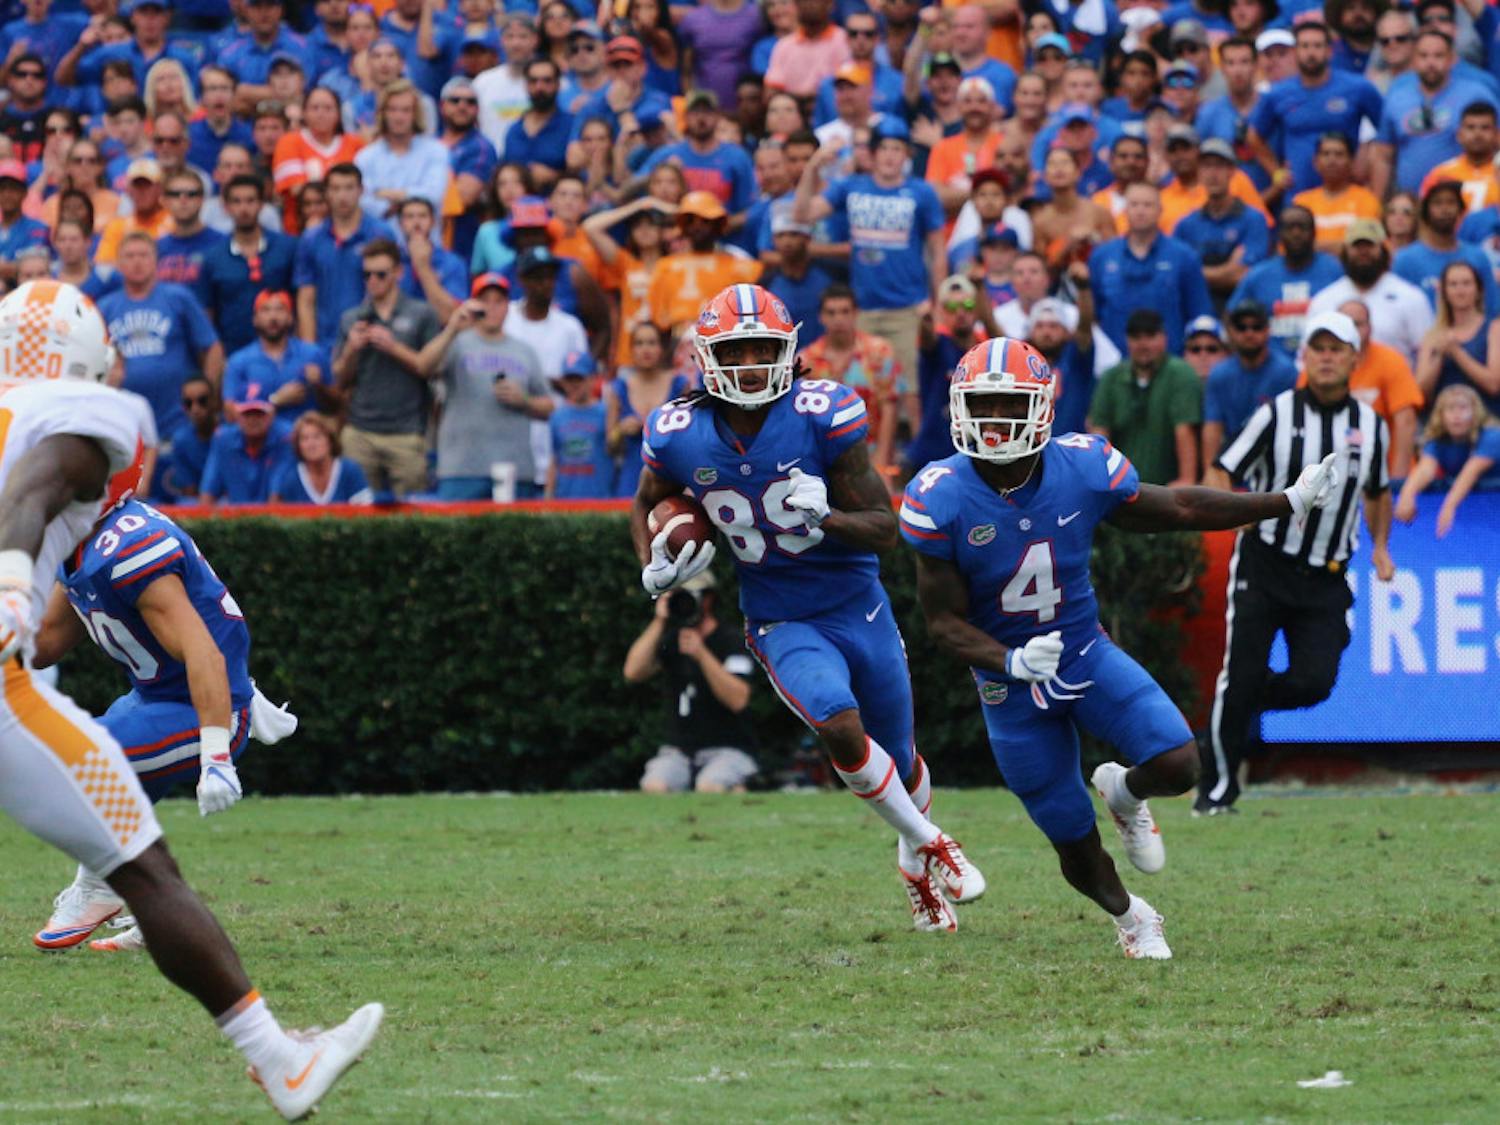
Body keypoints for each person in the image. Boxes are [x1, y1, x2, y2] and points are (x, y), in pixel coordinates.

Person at [0, 279, 381, 1117]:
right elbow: (34, 516)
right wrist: (17, 596)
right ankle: (275, 1054)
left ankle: (275, 1051)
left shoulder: (110, 521)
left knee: (132, 836)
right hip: (40, 699)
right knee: (137, 850)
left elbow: (194, 641)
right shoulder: (76, 452)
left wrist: (222, 741)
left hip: (101, 699)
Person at [901, 335, 1347, 957]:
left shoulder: (1081, 467)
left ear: (1042, 407)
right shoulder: (940, 493)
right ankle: (1133, 918)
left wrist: (1286, 501)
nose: (995, 420)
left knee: (1179, 764)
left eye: (1009, 405)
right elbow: (942, 622)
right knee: (1071, 838)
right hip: (1009, 688)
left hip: (1083, 653)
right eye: (983, 404)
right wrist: (1009, 660)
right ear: (958, 407)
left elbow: (1181, 505)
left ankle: (1124, 790)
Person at [631, 282, 984, 933]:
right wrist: (651, 562)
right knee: (838, 723)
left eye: (762, 348)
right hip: (779, 614)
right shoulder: (677, 430)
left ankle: (914, 868)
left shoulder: (825, 412)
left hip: (858, 602)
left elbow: (886, 526)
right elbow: (647, 498)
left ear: (788, 349)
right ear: (708, 357)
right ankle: (934, 842)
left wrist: (829, 514)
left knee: (901, 759)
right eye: (735, 351)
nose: (749, 365)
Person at [30, 488, 299, 952]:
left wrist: (216, 751)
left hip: (202, 706)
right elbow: (45, 643)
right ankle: (141, 906)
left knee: (76, 758)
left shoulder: (127, 545)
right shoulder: (81, 538)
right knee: (102, 795)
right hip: (153, 699)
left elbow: (203, 651)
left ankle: (133, 895)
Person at [1203, 311, 1397, 815]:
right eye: (1319, 347)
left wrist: (1380, 546)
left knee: (1315, 681)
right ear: (1304, 356)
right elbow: (1222, 469)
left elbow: (1377, 491)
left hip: (1327, 574)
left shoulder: (1372, 427)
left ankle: (1240, 704)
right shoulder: (1277, 413)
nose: (1328, 357)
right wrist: (1231, 516)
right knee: (1241, 671)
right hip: (1265, 562)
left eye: (1338, 348)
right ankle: (1217, 790)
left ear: (1355, 357)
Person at [795, 117, 945, 401]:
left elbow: (938, 251)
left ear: (906, 155)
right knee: (860, 393)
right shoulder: (851, 187)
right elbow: (802, 214)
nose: (890, 155)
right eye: (884, 148)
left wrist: (937, 305)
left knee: (910, 394)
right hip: (861, 310)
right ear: (873, 153)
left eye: (897, 149)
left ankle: (911, 447)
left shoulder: (922, 192)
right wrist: (813, 166)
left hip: (908, 308)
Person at [418, 272, 552, 501]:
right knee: (456, 536)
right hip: (461, 469)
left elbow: (549, 406)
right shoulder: (456, 343)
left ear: (508, 307)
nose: (492, 307)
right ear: (474, 305)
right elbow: (423, 367)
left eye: (498, 301)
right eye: (485, 301)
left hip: (515, 469)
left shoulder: (524, 350)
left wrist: (524, 400)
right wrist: (452, 327)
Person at [624, 569, 760, 793]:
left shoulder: (732, 640)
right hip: (679, 751)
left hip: (730, 749)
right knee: (655, 785)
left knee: (710, 785)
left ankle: (736, 797)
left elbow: (738, 699)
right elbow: (633, 672)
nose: (682, 601)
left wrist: (702, 655)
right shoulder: (671, 640)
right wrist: (660, 621)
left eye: (688, 595)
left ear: (708, 599)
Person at [331, 238, 443, 497]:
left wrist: (393, 348)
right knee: (357, 512)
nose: (373, 280)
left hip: (407, 432)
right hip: (360, 431)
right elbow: (339, 379)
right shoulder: (352, 317)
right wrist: (351, 350)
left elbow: (431, 369)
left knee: (413, 515)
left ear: (398, 273)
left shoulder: (421, 314)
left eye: (380, 274)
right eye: (366, 274)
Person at [98, 231, 225, 442]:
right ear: (118, 264)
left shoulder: (178, 297)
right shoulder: (105, 307)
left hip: (179, 421)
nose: (137, 262)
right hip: (127, 425)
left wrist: (207, 397)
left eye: (144, 255)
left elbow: (212, 347)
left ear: (156, 260)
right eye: (130, 256)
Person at [1246, 20, 1382, 202]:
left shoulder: (1358, 87)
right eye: (1305, 46)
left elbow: (1387, 129)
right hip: (1298, 195)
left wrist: (1366, 153)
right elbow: (1254, 137)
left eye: (1317, 46)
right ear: (1295, 52)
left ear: (1329, 51)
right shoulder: (1278, 94)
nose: (1311, 53)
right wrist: (1276, 172)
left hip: (1347, 194)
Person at [798, 282, 912, 476]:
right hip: (823, 458)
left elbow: (890, 407)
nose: (839, 319)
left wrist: (882, 463)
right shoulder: (806, 360)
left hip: (871, 453)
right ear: (821, 317)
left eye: (845, 311)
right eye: (831, 313)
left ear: (856, 313)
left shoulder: (879, 352)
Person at [1088, 183, 1213, 356]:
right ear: (1125, 210)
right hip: (1114, 364)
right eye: (1134, 205)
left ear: (1160, 210)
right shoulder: (1101, 257)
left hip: (1170, 363)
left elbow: (1200, 315)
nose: (1141, 211)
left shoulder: (1184, 257)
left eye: (1148, 205)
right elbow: (1091, 315)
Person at [1088, 308, 1204, 487]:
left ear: (1164, 338)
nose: (1143, 344)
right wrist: (1100, 481)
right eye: (1136, 337)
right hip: (1122, 486)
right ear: (1127, 341)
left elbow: (1185, 430)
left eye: (1150, 336)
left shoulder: (1180, 374)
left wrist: (1186, 479)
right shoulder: (1112, 377)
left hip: (1166, 489)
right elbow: (1099, 434)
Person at [295, 162, 397, 348]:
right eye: (335, 188)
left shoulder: (381, 234)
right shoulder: (311, 239)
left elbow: (392, 289)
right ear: (326, 193)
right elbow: (306, 299)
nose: (343, 196)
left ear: (361, 191)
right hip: (325, 342)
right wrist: (309, 350)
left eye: (349, 188)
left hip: (372, 340)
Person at [1307, 220, 1435, 368]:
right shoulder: (1324, 300)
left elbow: (1428, 354)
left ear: (1383, 249)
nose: (1363, 252)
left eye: (1370, 246)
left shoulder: (1411, 297)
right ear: (1345, 251)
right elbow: (1307, 356)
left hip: (1395, 385)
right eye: (1357, 246)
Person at [1202, 298, 1299, 487]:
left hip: (1275, 468)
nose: (1249, 333)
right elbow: (1212, 428)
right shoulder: (1220, 375)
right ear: (1230, 331)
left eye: (1256, 326)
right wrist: (1212, 477)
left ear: (1268, 330)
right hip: (1233, 465)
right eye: (1241, 327)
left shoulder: (1286, 373)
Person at [202, 174, 300, 358]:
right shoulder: (213, 258)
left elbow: (300, 301)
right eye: (236, 202)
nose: (244, 208)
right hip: (232, 354)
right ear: (226, 207)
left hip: (285, 353)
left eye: (250, 201)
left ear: (262, 204)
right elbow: (209, 313)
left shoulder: (287, 249)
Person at [1228, 205, 1345, 358]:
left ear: (1314, 233)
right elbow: (1231, 316)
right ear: (1279, 235)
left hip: (1322, 362)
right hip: (1271, 370)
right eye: (1289, 227)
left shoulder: (1334, 271)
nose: (1296, 233)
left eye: (1302, 227)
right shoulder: (1258, 276)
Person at [1174, 137, 1272, 309]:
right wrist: (1227, 270)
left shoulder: (1253, 219)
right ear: (1199, 172)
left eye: (1219, 166)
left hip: (1242, 310)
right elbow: (1179, 275)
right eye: (1206, 166)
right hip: (1197, 308)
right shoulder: (1186, 224)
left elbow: (1244, 276)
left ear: (1232, 171)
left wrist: (1197, 273)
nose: (1213, 174)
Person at [646, 190, 762, 334]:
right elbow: (658, 320)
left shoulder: (738, 265)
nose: (697, 227)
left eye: (705, 221)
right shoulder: (665, 267)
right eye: (690, 221)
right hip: (677, 344)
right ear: (683, 226)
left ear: (717, 224)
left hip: (722, 342)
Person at [1395, 384, 1500, 538]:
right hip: (1481, 507)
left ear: (1476, 412)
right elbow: (1425, 470)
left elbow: (1470, 472)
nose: (1456, 415)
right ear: (1441, 415)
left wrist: (1448, 507)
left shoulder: (1492, 436)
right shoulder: (1437, 441)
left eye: (1463, 408)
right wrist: (1406, 496)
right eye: (1450, 409)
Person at [605, 322, 690, 499]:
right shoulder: (619, 389)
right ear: (631, 350)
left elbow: (693, 439)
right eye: (639, 343)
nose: (646, 349)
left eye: (652, 343)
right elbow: (609, 446)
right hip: (630, 481)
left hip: (670, 480)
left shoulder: (680, 385)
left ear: (662, 348)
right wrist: (620, 431)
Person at [1393, 180, 1499, 314]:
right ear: (1426, 212)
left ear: (1460, 211)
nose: (1445, 209)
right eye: (1437, 203)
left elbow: (1492, 309)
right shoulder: (1405, 260)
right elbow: (1395, 311)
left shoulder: (1477, 258)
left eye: (1451, 202)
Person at [223, 291, 327, 425]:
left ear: (291, 317)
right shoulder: (238, 361)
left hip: (303, 440)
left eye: (280, 309)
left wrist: (320, 386)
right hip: (260, 440)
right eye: (265, 310)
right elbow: (230, 414)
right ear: (255, 319)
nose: (273, 317)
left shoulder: (312, 354)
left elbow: (335, 406)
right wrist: (275, 400)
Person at [1413, 259, 1500, 416]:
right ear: (1444, 292)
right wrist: (1438, 356)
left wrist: (1457, 353)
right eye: (1453, 285)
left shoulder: (1494, 329)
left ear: (1478, 290)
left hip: (1487, 421)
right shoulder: (1433, 336)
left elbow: (1494, 384)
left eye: (1466, 284)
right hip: (1443, 425)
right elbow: (1420, 393)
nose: (1460, 291)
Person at [199, 386, 294, 506]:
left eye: (259, 413)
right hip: (234, 517)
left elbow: (277, 495)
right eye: (247, 414)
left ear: (272, 415)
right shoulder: (222, 439)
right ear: (237, 416)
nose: (253, 420)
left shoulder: (285, 437)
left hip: (276, 518)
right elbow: (208, 492)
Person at [1292, 132, 1382, 252]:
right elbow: (1290, 246)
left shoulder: (1367, 200)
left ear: (1351, 162)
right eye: (1326, 154)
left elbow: (1364, 247)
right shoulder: (1301, 202)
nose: (1332, 160)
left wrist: (1311, 247)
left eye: (1339, 154)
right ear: (1316, 162)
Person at [548, 350, 615, 499]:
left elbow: (616, 451)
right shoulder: (557, 416)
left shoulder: (606, 412)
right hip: (564, 498)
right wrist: (548, 496)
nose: (573, 385)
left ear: (592, 379)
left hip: (599, 498)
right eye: (569, 380)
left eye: (578, 379)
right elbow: (554, 460)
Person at [153, 169, 224, 306]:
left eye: (191, 194)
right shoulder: (156, 248)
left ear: (202, 199)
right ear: (164, 201)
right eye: (175, 194)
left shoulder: (223, 243)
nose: (183, 200)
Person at [270, 412, 373, 505]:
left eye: (317, 437)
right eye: (304, 439)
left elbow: (364, 515)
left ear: (330, 441)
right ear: (298, 446)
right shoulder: (291, 478)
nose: (311, 444)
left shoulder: (350, 470)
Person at [1420, 101, 1500, 218]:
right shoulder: (1440, 174)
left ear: (1497, 135)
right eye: (1470, 127)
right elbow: (1425, 218)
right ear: (1459, 134)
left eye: (1485, 128)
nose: (1477, 134)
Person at [397, 196, 467, 323]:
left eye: (422, 216)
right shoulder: (391, 261)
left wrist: (423, 266)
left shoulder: (452, 262)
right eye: (409, 217)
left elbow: (454, 316)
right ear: (400, 224)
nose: (416, 223)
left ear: (433, 222)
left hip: (440, 335)